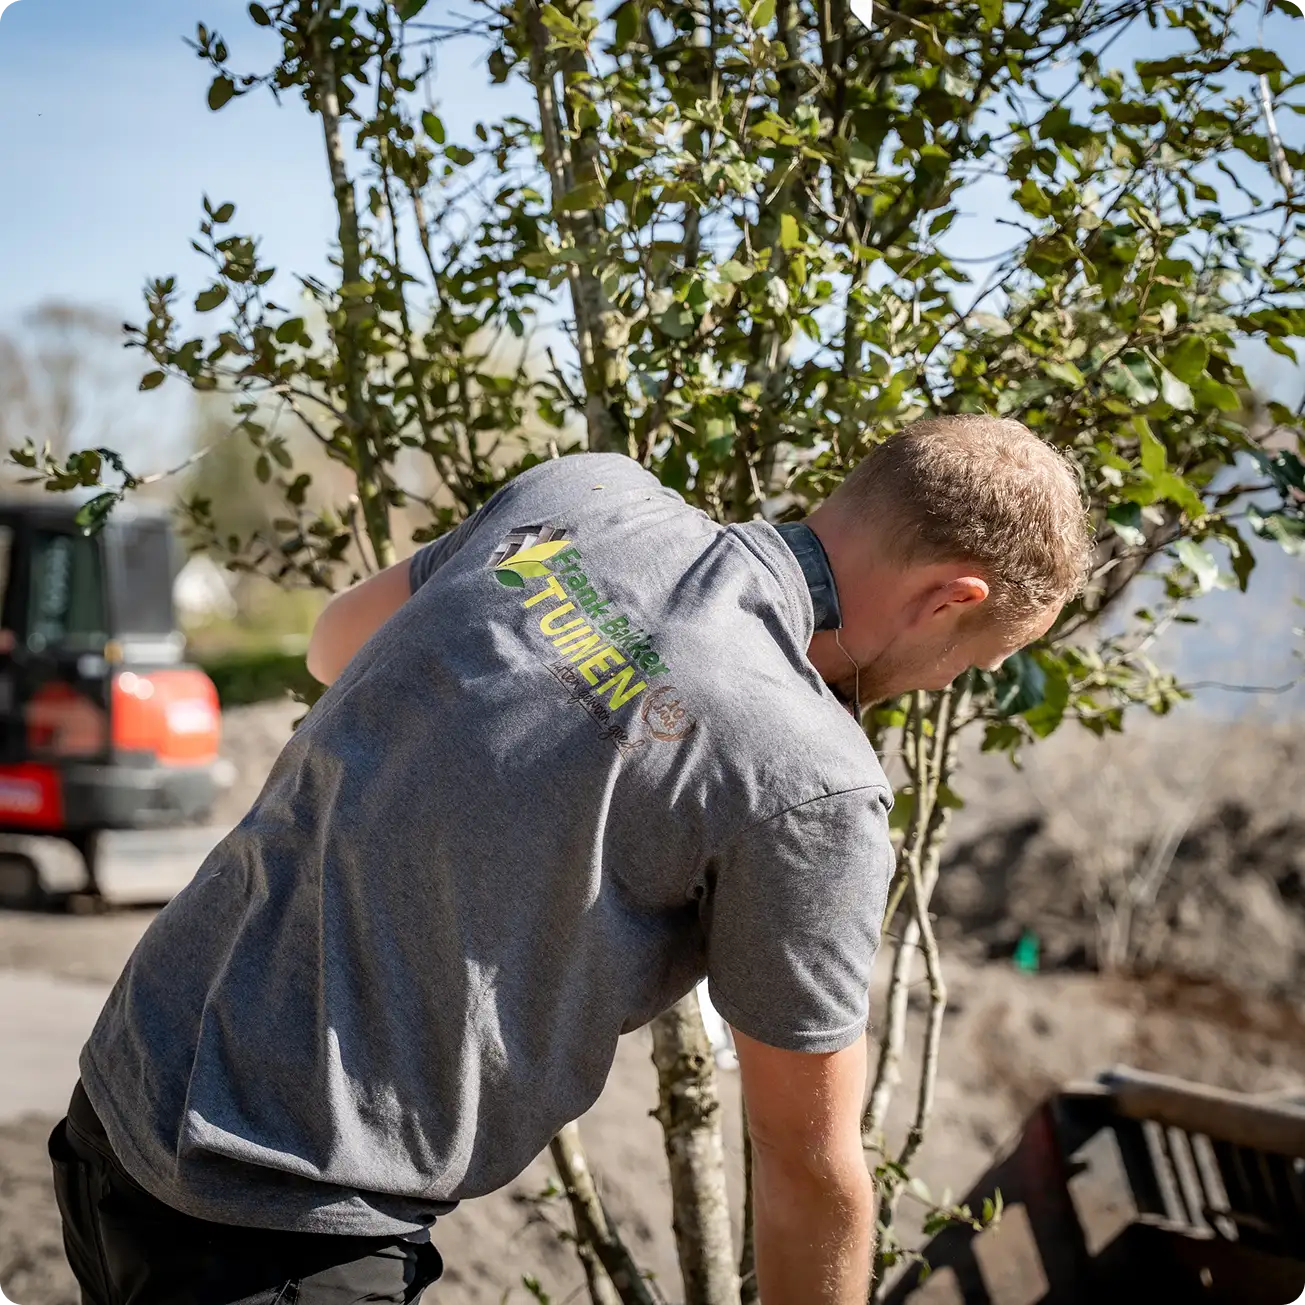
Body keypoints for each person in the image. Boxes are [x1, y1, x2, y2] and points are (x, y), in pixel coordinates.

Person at [50, 415, 1091, 1305]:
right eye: (977, 661)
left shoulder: (588, 492)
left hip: (126, 1096)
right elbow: (807, 1168)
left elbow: (335, 646)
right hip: (286, 1224)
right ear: (951, 598)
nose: (949, 682)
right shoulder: (813, 781)